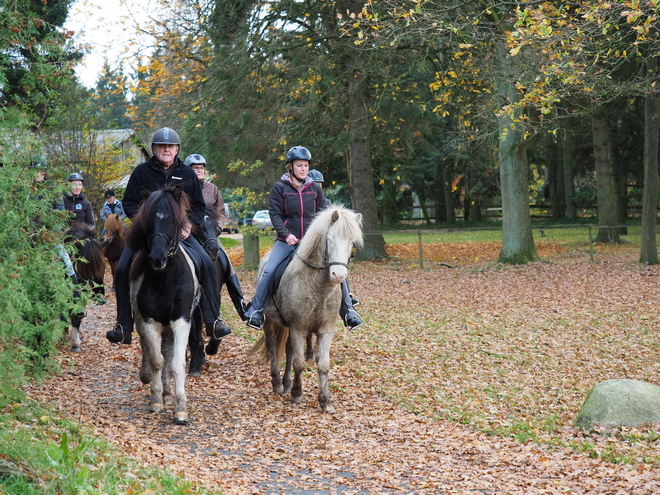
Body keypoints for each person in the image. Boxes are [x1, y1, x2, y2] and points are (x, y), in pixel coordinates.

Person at [106, 127, 232, 345]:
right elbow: (129, 203)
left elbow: (199, 207)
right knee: (123, 267)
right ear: (154, 149)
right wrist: (143, 222)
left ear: (176, 149)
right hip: (148, 234)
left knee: (206, 263)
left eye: (170, 146)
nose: (166, 149)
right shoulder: (141, 172)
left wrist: (189, 225)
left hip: (179, 234)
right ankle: (123, 324)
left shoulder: (187, 173)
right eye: (161, 146)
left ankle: (213, 320)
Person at [245, 147, 363, 330]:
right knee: (270, 270)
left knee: (338, 266)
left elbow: (324, 212)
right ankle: (256, 310)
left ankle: (348, 311)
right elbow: (275, 215)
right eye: (299, 165)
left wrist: (318, 229)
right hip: (287, 241)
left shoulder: (314, 188)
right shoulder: (279, 188)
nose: (303, 169)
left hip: (311, 243)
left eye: (306, 165)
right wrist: (286, 234)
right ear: (290, 167)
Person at [183, 153, 249, 321]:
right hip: (188, 234)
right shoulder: (183, 189)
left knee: (226, 261)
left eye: (201, 168)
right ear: (189, 170)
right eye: (196, 168)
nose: (199, 170)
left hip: (210, 234)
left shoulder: (212, 189)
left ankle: (241, 304)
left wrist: (219, 227)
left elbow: (220, 211)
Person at [308, 168, 362, 327]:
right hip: (303, 244)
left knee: (339, 269)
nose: (317, 188)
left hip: (324, 248)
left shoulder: (328, 205)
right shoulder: (301, 203)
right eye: (314, 185)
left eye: (319, 185)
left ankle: (348, 309)